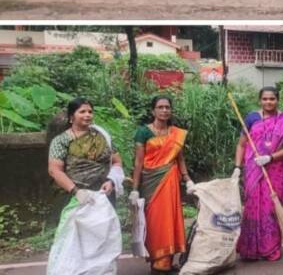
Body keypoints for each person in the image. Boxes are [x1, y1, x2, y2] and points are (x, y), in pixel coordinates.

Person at [47, 98, 124, 271]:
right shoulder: (62, 141)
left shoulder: (103, 137)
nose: (87, 115)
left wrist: (111, 180)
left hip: (103, 196)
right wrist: (76, 191)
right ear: (71, 117)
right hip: (75, 198)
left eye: (90, 111)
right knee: (72, 244)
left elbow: (117, 162)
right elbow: (54, 170)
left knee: (103, 242)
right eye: (82, 111)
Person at [234, 86, 283, 261]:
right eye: (265, 99)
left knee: (271, 208)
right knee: (251, 206)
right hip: (253, 170)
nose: (268, 102)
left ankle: (270, 248)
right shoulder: (251, 118)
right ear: (260, 100)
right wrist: (237, 167)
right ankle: (250, 248)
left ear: (277, 100)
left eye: (272, 99)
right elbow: (241, 144)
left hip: (276, 171)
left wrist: (270, 157)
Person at [130, 95, 194, 273]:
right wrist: (134, 189)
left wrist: (188, 179)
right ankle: (157, 261)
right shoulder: (143, 132)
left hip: (170, 181)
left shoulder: (176, 133)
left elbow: (180, 159)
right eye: (160, 107)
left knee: (170, 219)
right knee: (154, 221)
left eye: (167, 107)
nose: (164, 110)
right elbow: (138, 162)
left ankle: (166, 262)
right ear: (153, 111)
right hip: (150, 183)